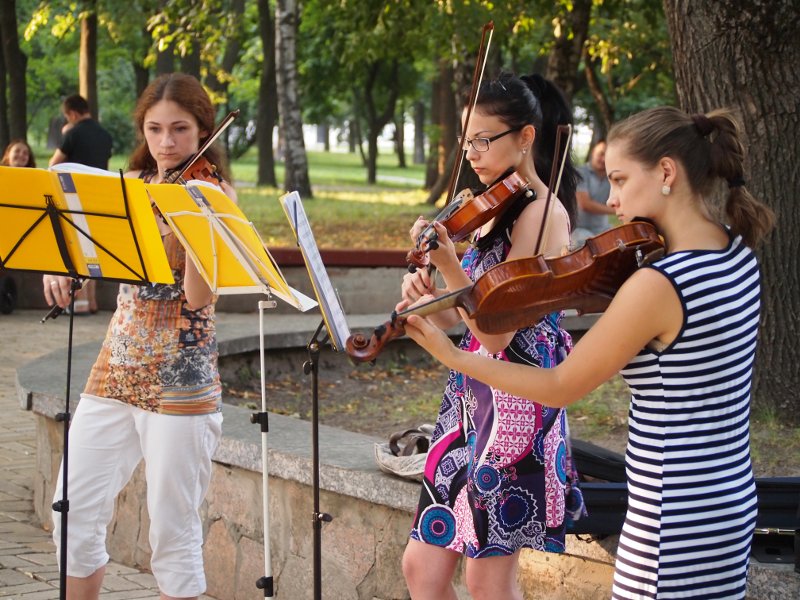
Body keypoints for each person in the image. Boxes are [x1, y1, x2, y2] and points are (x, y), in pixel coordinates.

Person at [404, 106, 775, 599]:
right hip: (728, 498)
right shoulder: (736, 254)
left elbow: (562, 384)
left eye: (620, 180)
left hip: (670, 510)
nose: (612, 200)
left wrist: (454, 358)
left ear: (667, 172)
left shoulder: (660, 283)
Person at [42, 72, 236, 600]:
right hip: (116, 366)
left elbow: (199, 298)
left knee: (171, 535)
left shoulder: (213, 193)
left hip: (181, 377)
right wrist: (62, 265)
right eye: (155, 129)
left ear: (203, 130)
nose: (166, 143)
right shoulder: (131, 187)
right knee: (72, 512)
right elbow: (94, 256)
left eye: (179, 129)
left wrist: (201, 229)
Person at [398, 72, 586, 600]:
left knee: (487, 579)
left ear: (525, 137)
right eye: (467, 141)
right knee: (423, 567)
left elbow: (499, 333)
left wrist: (451, 265)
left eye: (485, 140)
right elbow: (463, 322)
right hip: (466, 399)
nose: (473, 153)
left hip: (517, 410)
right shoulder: (488, 211)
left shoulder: (544, 216)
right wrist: (424, 302)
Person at [49, 94, 114, 314]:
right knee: (92, 249)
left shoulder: (73, 132)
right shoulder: (104, 134)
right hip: (99, 195)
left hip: (74, 195)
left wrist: (65, 135)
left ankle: (80, 303)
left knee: (77, 248)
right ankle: (93, 302)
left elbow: (53, 164)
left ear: (73, 114)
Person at [571, 138, 614, 246]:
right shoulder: (580, 172)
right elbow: (585, 204)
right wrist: (616, 210)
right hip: (579, 229)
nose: (603, 159)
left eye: (607, 156)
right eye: (601, 154)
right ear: (592, 152)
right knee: (592, 246)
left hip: (603, 228)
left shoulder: (611, 176)